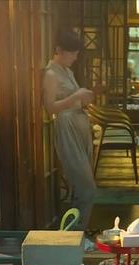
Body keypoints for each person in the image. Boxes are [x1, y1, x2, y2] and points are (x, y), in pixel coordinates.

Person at [43, 29, 96, 244]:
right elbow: (50, 108)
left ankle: (75, 235)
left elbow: (73, 100)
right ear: (59, 50)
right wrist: (76, 96)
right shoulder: (51, 74)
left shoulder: (67, 71)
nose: (75, 57)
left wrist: (82, 98)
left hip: (79, 126)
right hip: (67, 128)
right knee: (86, 188)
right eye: (72, 53)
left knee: (81, 188)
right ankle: (73, 237)